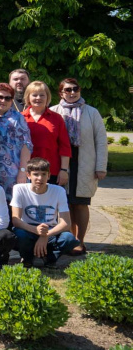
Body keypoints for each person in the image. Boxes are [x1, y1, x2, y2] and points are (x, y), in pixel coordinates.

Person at [51, 78, 108, 254]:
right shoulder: (53, 111)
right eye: (68, 90)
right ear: (61, 93)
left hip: (84, 164)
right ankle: (68, 240)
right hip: (60, 164)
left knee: (81, 204)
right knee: (64, 204)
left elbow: (101, 141)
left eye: (75, 89)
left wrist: (101, 166)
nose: (72, 92)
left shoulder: (91, 112)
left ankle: (80, 241)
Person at [11, 158, 81, 268]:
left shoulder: (58, 191)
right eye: (36, 174)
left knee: (69, 239)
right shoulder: (19, 189)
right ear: (28, 175)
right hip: (28, 228)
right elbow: (16, 220)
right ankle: (27, 258)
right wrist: (36, 230)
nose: (40, 178)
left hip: (50, 229)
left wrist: (45, 235)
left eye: (44, 174)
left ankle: (50, 258)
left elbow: (66, 223)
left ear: (49, 176)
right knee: (19, 234)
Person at [22, 81, 71, 187]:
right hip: (26, 171)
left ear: (47, 97)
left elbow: (65, 147)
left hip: (50, 171)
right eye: (34, 95)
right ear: (28, 97)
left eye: (42, 95)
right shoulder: (20, 118)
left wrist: (64, 170)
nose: (38, 98)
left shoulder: (56, 118)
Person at [0, 83, 32, 201]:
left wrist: (23, 171)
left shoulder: (17, 118)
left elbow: (26, 145)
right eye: (0, 97)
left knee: (13, 209)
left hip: (12, 175)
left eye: (7, 98)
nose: (3, 100)